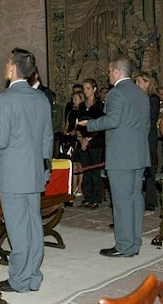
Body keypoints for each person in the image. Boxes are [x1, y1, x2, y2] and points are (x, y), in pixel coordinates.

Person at [0, 48, 53, 292]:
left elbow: (0, 140)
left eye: (7, 63)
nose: (5, 67)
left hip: (14, 175)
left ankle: (19, 280)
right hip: (36, 172)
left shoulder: (4, 98)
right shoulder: (41, 98)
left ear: (14, 68)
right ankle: (33, 276)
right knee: (34, 227)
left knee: (17, 229)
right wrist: (46, 169)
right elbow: (48, 137)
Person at [77, 55, 150, 257]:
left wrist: (89, 125)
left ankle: (124, 246)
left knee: (121, 202)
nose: (108, 74)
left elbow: (112, 121)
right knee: (135, 200)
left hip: (121, 157)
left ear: (117, 72)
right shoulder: (141, 93)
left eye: (109, 71)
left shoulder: (116, 93)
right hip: (139, 155)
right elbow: (147, 124)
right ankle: (134, 244)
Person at [133, 71, 160, 211]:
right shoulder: (137, 98)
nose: (136, 85)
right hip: (137, 137)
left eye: (138, 81)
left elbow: (151, 119)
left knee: (149, 170)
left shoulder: (153, 98)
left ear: (147, 82)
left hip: (148, 138)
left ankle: (150, 201)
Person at [78, 78, 104, 209]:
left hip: (95, 142)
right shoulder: (82, 106)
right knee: (86, 170)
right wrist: (82, 139)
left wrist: (88, 139)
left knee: (94, 170)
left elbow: (100, 125)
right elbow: (79, 124)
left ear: (94, 89)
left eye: (88, 88)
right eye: (84, 88)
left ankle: (96, 198)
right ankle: (87, 197)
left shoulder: (100, 106)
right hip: (83, 141)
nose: (85, 91)